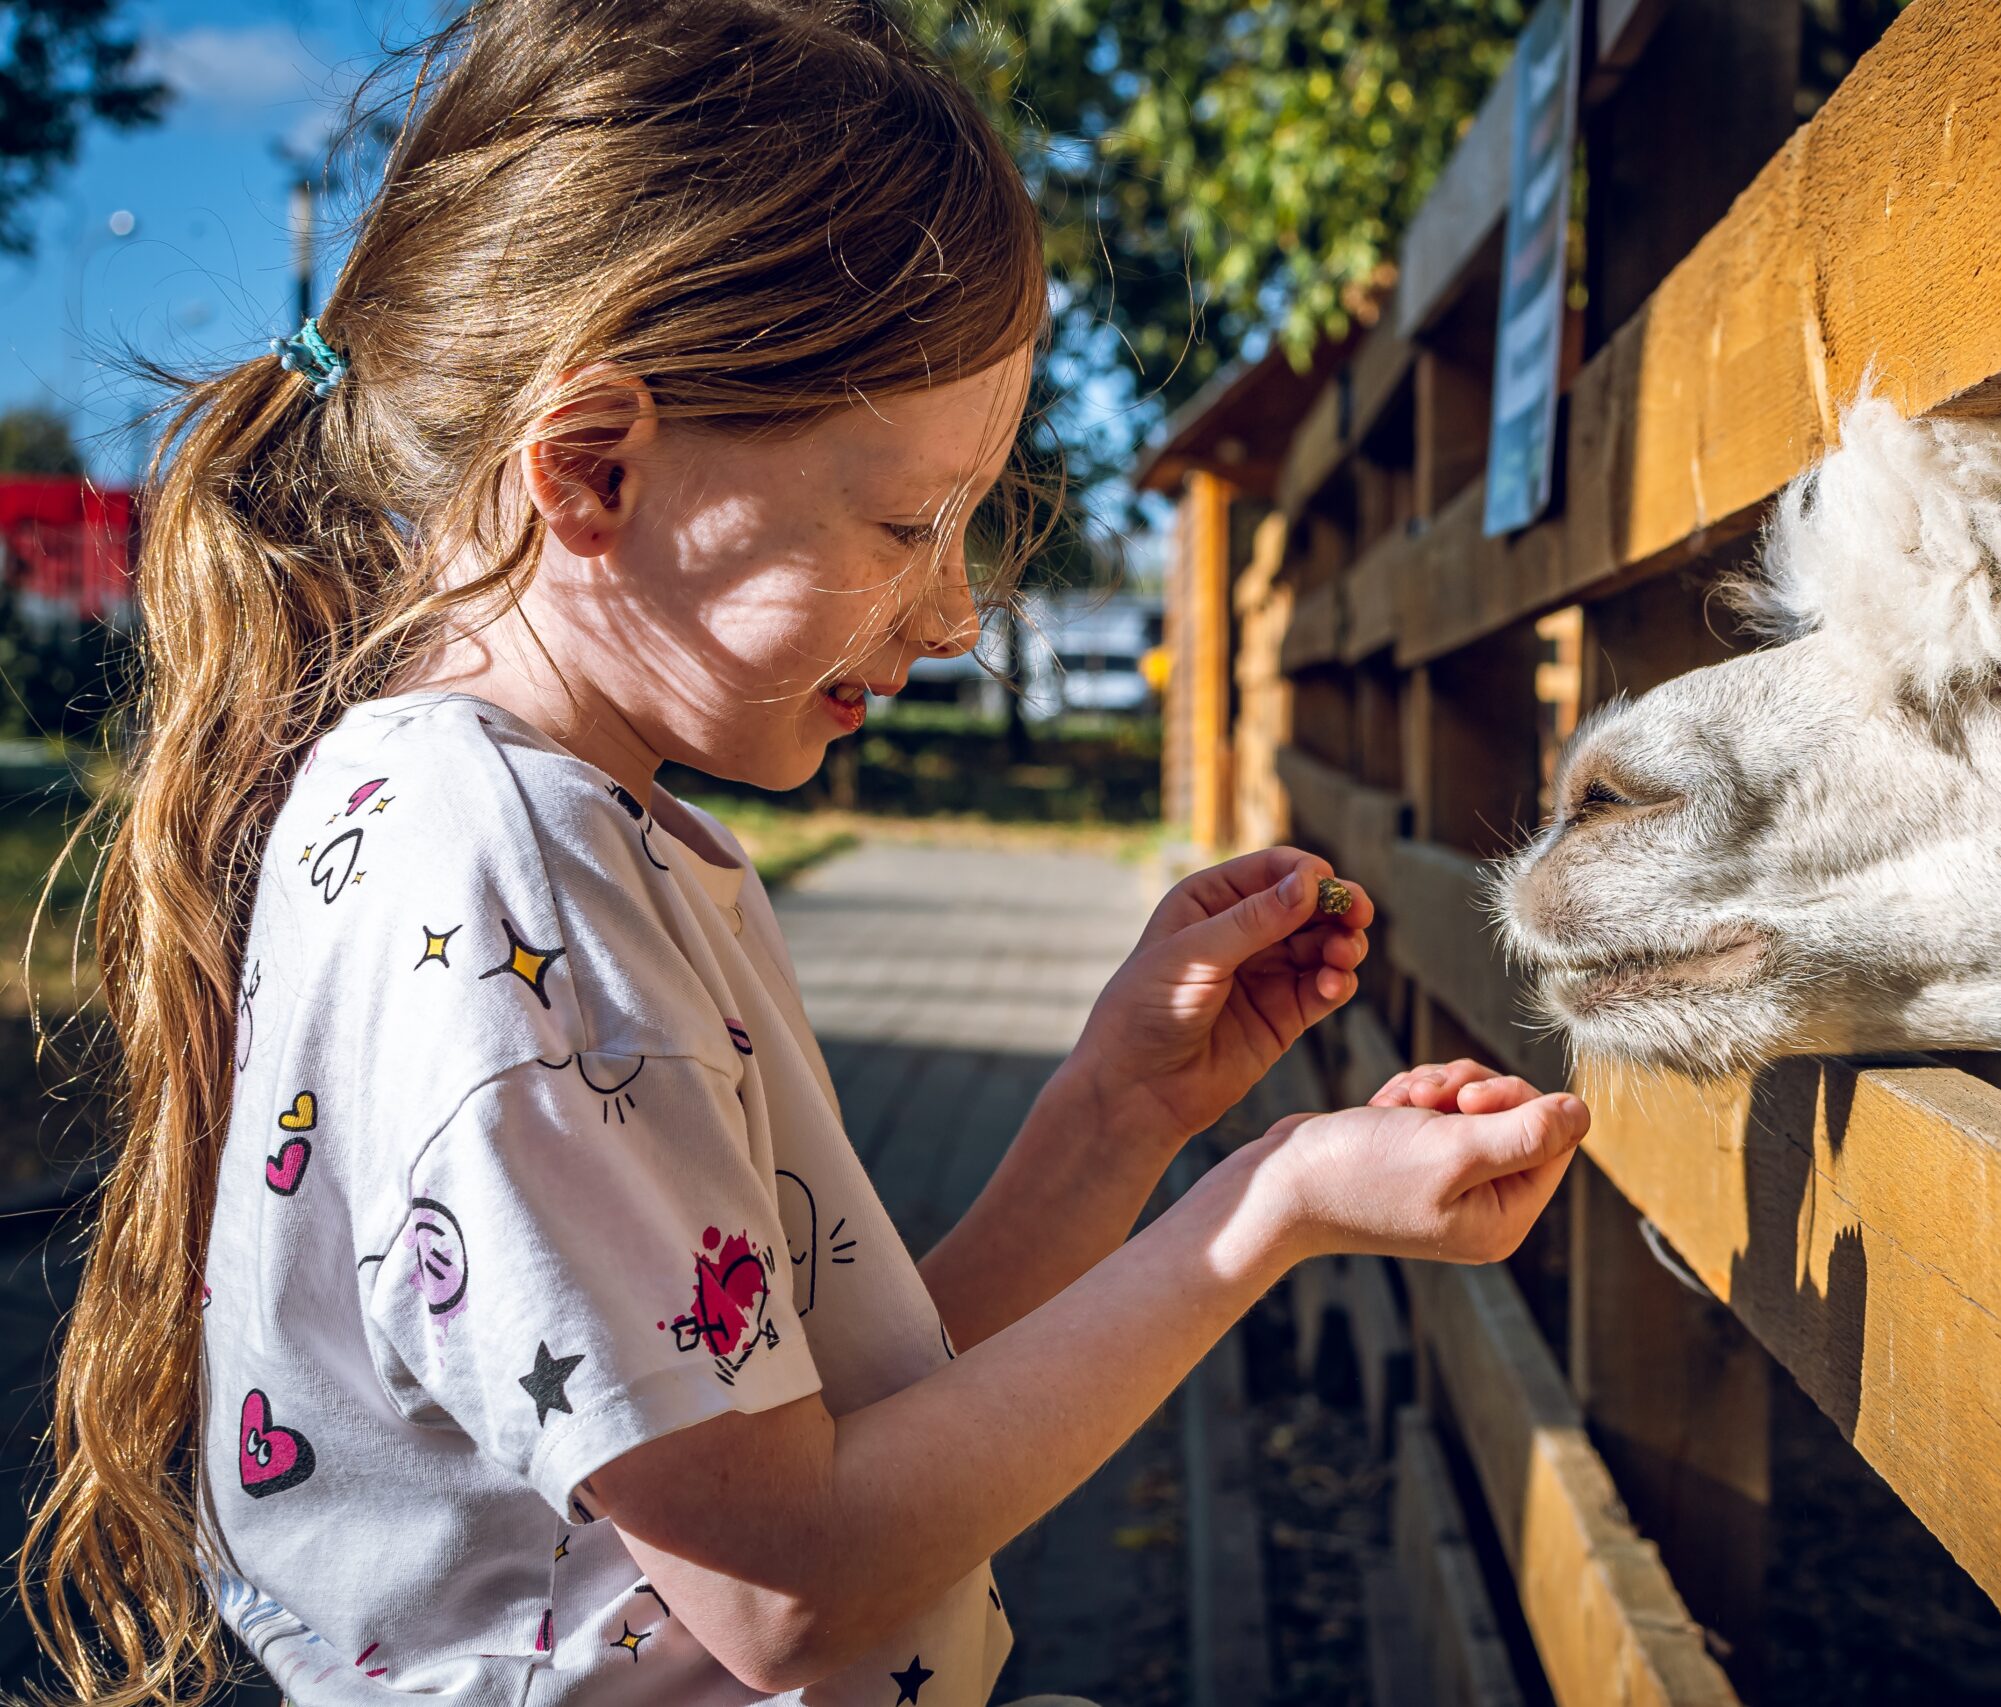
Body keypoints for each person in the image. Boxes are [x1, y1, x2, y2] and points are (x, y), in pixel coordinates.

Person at [20, 3, 1590, 1704]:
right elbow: (791, 1586)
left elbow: (821, 1436)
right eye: (910, 521)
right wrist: (1261, 1213)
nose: (959, 608)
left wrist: (1119, 1113)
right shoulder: (504, 882)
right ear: (594, 466)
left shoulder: (549, 835)